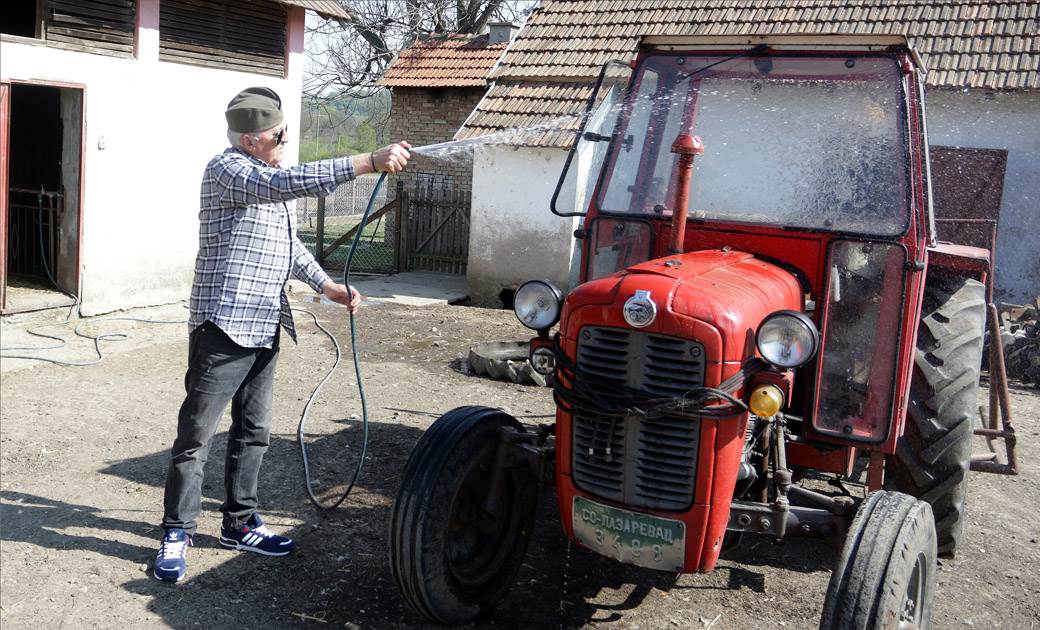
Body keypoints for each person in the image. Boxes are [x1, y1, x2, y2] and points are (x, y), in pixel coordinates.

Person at [153, 87, 411, 582]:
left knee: (254, 433)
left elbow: (289, 246)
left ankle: (240, 523)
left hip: (267, 320)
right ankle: (177, 532)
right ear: (252, 141)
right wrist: (368, 161)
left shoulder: (267, 179)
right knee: (196, 436)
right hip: (223, 325)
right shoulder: (228, 170)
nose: (285, 140)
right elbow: (292, 183)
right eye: (278, 134)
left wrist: (328, 286)